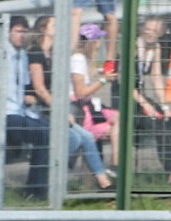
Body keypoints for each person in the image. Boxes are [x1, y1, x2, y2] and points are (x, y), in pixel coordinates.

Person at [25, 15, 114, 191]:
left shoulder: (52, 54)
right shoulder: (35, 52)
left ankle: (105, 183)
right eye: (54, 25)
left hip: (51, 107)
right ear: (43, 30)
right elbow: (40, 88)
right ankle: (49, 179)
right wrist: (61, 111)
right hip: (39, 109)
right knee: (74, 138)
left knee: (86, 137)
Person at [0, 14, 49, 200]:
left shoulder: (22, 56)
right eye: (17, 31)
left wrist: (29, 99)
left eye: (24, 32)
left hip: (21, 111)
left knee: (50, 131)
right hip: (5, 114)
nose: (21, 36)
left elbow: (21, 86)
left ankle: (37, 188)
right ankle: (35, 190)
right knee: (44, 135)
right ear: (8, 33)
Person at [133, 15, 171, 186]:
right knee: (161, 127)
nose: (150, 33)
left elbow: (156, 77)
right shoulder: (133, 47)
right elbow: (125, 83)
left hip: (141, 97)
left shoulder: (155, 47)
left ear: (160, 33)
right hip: (128, 99)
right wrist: (146, 105)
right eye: (147, 29)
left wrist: (165, 107)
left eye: (155, 30)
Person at [70, 22, 119, 172]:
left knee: (119, 118)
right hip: (79, 108)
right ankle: (113, 166)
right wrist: (103, 80)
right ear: (93, 41)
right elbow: (80, 92)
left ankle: (115, 163)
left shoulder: (84, 60)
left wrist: (100, 74)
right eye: (98, 40)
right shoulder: (78, 59)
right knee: (112, 129)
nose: (99, 44)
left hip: (87, 106)